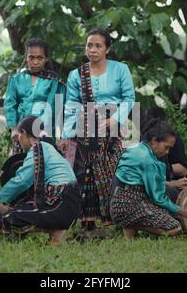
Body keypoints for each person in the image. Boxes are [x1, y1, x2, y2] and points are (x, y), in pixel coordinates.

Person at [58, 27, 135, 234]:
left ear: (107, 49)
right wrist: (66, 134)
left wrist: (114, 120)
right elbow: (71, 105)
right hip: (84, 129)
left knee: (112, 172)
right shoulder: (77, 75)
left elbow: (129, 99)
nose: (92, 49)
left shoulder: (120, 70)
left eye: (98, 46)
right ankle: (87, 223)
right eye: (89, 45)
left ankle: (117, 219)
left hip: (112, 129)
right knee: (85, 174)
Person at [0, 116, 80, 246]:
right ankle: (56, 237)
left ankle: (55, 232)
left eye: (18, 136)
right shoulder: (47, 147)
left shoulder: (37, 149)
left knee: (10, 218)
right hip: (69, 203)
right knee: (22, 207)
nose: (18, 140)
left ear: (24, 133)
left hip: (62, 204)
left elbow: (22, 180)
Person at [109, 119, 187, 239]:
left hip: (115, 205)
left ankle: (129, 237)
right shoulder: (149, 161)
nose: (167, 152)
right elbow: (159, 199)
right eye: (166, 147)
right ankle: (130, 223)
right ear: (154, 141)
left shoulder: (135, 148)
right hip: (128, 207)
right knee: (174, 227)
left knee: (150, 203)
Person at [3, 38, 65, 155]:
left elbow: (56, 110)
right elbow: (9, 104)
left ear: (46, 58)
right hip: (21, 134)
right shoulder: (16, 79)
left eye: (39, 58)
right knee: (17, 165)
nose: (35, 62)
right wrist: (14, 128)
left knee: (40, 168)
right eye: (31, 57)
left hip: (44, 134)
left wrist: (58, 136)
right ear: (26, 57)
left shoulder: (54, 81)